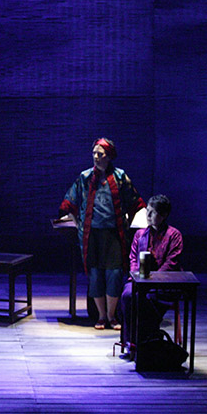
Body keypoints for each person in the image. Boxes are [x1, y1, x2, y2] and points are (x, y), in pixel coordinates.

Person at [59, 138, 145, 330]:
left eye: (101, 154)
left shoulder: (120, 177)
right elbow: (69, 203)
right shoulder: (85, 177)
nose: (96, 157)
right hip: (92, 235)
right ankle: (101, 315)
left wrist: (126, 223)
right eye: (94, 153)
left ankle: (113, 316)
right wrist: (79, 223)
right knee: (95, 274)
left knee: (114, 273)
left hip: (114, 235)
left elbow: (135, 202)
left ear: (109, 156)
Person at [118, 195, 184, 358]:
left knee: (146, 298)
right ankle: (131, 341)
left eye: (152, 212)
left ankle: (147, 341)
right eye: (147, 211)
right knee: (127, 295)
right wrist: (137, 277)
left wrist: (154, 279)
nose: (148, 216)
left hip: (164, 284)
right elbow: (133, 258)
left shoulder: (174, 235)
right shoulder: (140, 234)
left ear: (163, 215)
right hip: (140, 280)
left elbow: (172, 262)